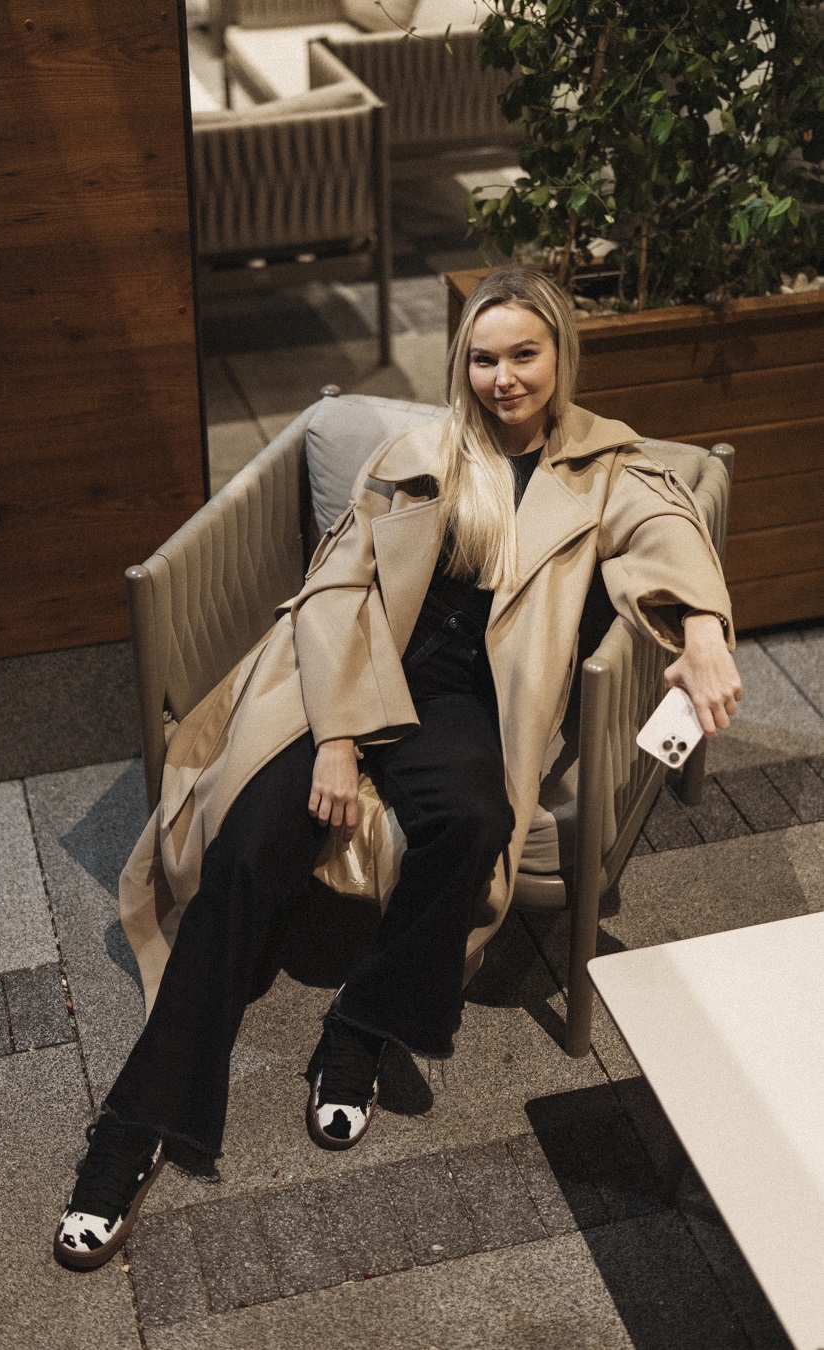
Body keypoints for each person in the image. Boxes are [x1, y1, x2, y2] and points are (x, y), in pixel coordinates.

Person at [54, 268, 742, 1270]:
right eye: (484, 358)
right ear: (461, 363)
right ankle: (133, 1129)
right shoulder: (418, 452)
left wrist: (707, 634)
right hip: (346, 673)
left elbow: (665, 534)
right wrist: (338, 741)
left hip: (462, 699)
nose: (504, 378)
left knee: (473, 821)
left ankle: (361, 1025)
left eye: (524, 354)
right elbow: (336, 592)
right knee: (244, 852)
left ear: (560, 356)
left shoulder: (606, 464)